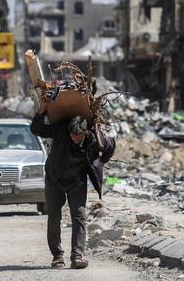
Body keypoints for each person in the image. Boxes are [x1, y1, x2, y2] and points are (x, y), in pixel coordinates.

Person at [30, 95, 115, 270]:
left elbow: (111, 145)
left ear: (84, 132)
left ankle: (77, 256)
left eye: (78, 137)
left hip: (77, 181)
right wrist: (42, 109)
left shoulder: (92, 137)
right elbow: (36, 129)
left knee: (79, 215)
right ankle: (57, 256)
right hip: (55, 179)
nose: (75, 139)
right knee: (54, 216)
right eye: (72, 135)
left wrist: (101, 162)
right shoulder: (61, 129)